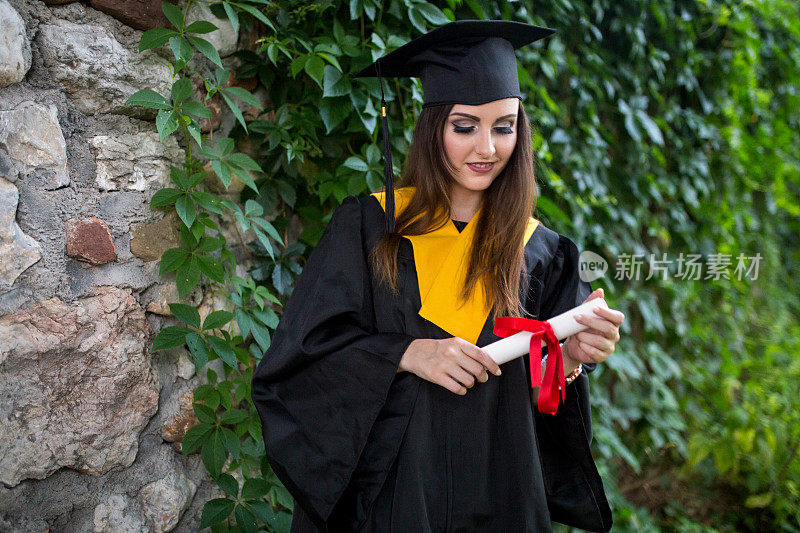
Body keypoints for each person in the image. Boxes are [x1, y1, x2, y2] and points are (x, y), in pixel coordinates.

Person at [251, 20, 624, 533]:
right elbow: (302, 356)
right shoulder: (368, 228)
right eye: (465, 126)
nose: (487, 148)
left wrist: (573, 360)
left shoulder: (543, 253)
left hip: (500, 488)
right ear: (434, 129)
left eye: (504, 126)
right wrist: (405, 353)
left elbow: (546, 393)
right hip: (390, 494)